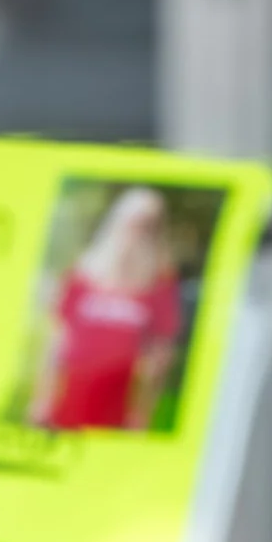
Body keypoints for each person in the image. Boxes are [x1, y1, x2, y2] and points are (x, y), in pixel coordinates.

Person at [28, 186, 186, 435]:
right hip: (70, 398)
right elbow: (57, 340)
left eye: (148, 225)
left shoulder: (161, 283)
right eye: (134, 223)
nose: (137, 233)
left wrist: (142, 411)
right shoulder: (82, 274)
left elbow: (161, 353)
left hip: (119, 408)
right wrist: (41, 399)